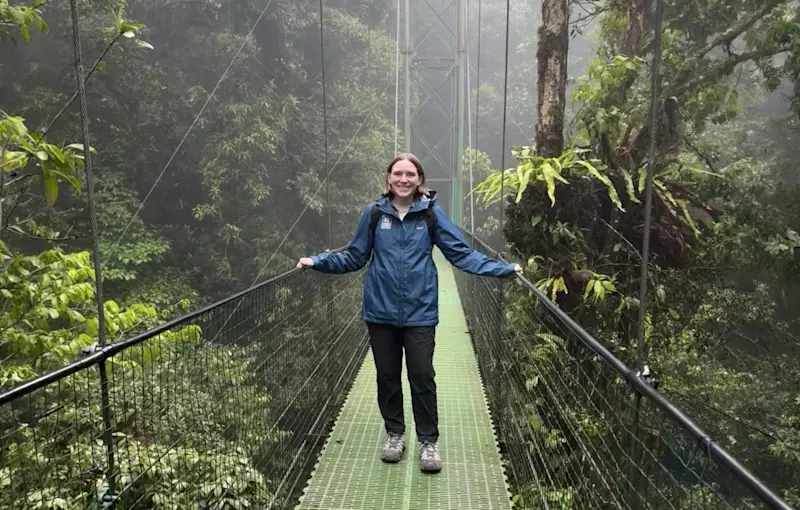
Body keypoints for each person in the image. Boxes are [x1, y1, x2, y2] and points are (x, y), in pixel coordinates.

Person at [296, 153, 522, 474]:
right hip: (380, 312)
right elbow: (355, 256)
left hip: (420, 312)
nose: (404, 180)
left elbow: (460, 254)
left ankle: (428, 441)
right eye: (398, 174)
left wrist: (503, 270)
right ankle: (395, 435)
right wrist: (318, 261)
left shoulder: (431, 215)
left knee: (421, 376)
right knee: (387, 377)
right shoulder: (373, 214)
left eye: (410, 174)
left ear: (420, 180)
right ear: (388, 178)